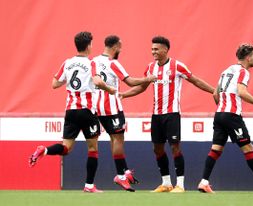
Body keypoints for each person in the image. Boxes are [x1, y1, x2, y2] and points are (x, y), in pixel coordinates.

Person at [119, 36, 215, 193]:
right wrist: (124, 94)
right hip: (156, 115)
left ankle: (180, 185)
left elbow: (195, 80)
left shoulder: (177, 66)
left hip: (172, 114)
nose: (153, 52)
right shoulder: (150, 68)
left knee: (175, 147)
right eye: (152, 49)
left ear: (165, 49)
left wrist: (213, 90)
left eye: (156, 49)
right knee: (157, 149)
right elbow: (142, 87)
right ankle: (165, 183)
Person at [29, 31, 116, 193]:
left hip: (71, 111)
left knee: (66, 148)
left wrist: (70, 81)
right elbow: (97, 80)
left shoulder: (67, 63)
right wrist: (109, 88)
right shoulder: (91, 63)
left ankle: (45, 150)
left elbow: (55, 84)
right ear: (89, 45)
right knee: (93, 149)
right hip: (87, 110)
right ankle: (89, 185)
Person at [197, 43, 253, 193]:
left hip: (219, 115)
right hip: (232, 116)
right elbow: (242, 92)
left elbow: (215, 94)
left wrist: (221, 110)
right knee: (248, 147)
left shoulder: (225, 71)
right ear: (248, 58)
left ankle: (204, 182)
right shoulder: (243, 72)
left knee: (216, 149)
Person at [92, 35, 157, 192]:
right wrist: (149, 78)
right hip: (112, 107)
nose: (120, 50)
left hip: (97, 107)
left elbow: (95, 80)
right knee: (119, 139)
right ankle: (121, 175)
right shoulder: (113, 63)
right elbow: (130, 81)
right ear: (115, 47)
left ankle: (124, 171)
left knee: (113, 138)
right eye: (120, 47)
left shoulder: (93, 61)